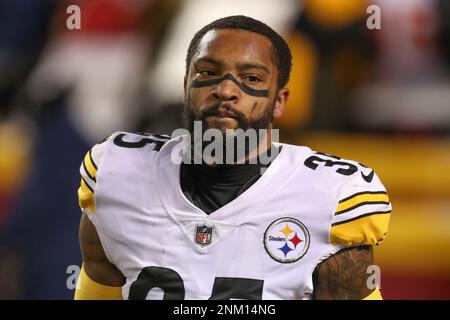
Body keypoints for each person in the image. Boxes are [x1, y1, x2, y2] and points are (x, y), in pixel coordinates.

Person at [74, 15, 391, 300]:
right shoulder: (117, 175)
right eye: (208, 72)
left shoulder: (330, 198)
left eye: (251, 78)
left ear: (279, 101)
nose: (226, 89)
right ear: (186, 87)